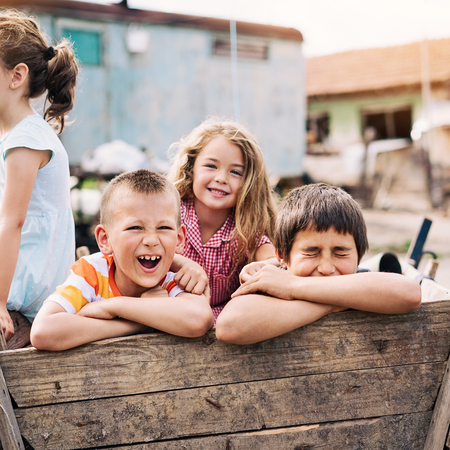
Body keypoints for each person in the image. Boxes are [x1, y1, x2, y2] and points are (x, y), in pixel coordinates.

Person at [215, 183, 422, 344]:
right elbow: (228, 327)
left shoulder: (360, 281)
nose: (326, 268)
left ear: (360, 256)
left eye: (340, 253)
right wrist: (333, 303)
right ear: (282, 256)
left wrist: (293, 287)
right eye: (311, 253)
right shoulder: (274, 284)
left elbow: (410, 293)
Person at [30, 170, 214, 350]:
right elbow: (42, 332)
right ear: (105, 239)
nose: (151, 240)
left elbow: (200, 319)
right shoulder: (92, 274)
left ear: (179, 239)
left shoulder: (171, 279)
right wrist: (134, 324)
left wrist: (113, 307)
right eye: (135, 227)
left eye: (164, 227)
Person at [0, 9, 79, 340]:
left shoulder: (27, 139)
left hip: (27, 281)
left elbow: (12, 223)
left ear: (16, 76)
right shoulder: (20, 134)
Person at [167, 117, 278, 320]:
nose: (221, 178)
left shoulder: (244, 228)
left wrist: (264, 266)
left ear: (249, 183)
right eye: (211, 166)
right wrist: (182, 264)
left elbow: (273, 258)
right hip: (166, 316)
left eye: (235, 172)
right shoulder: (170, 212)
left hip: (220, 325)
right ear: (191, 169)